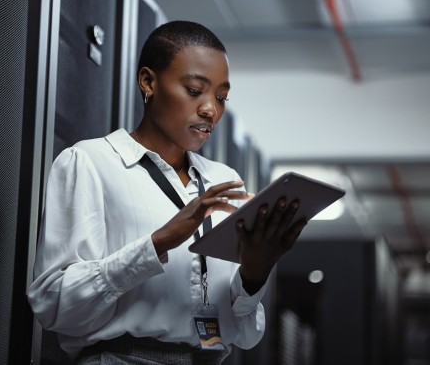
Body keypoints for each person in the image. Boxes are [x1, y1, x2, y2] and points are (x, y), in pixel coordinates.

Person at [28, 20, 307, 364]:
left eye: (221, 97)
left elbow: (246, 334)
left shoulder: (225, 180)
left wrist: (254, 274)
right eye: (194, 90)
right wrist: (158, 242)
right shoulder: (90, 162)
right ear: (148, 82)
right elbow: (55, 305)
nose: (211, 109)